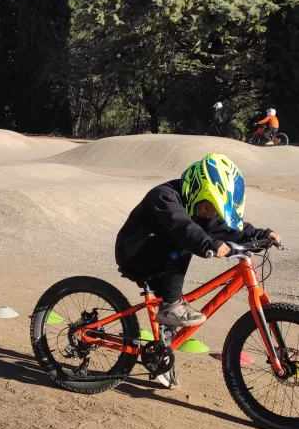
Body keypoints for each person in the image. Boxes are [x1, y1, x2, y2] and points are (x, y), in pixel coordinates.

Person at [115, 153, 281, 387]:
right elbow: (181, 226)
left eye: (212, 211)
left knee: (179, 271)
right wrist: (208, 244)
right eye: (207, 209)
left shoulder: (198, 204)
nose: (208, 214)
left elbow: (225, 227)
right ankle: (171, 306)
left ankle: (162, 352)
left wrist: (259, 235)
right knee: (182, 242)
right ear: (195, 189)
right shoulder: (164, 196)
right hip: (134, 251)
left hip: (160, 257)